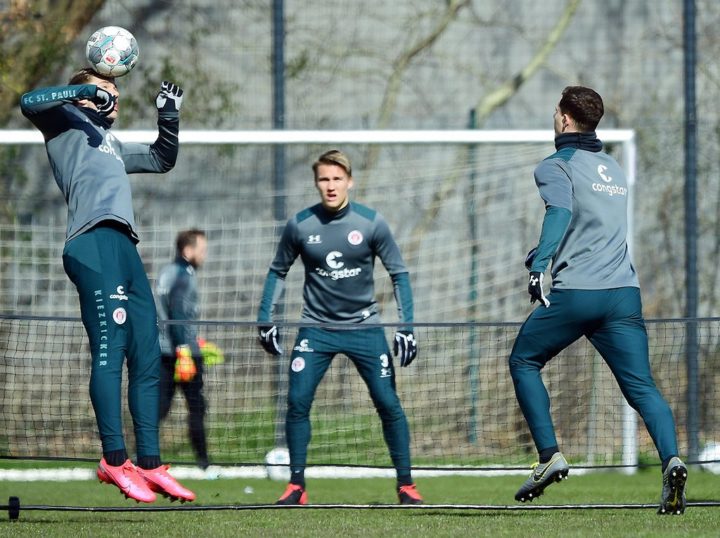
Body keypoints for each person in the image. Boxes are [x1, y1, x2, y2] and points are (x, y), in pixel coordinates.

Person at [508, 86, 687, 514]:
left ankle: (549, 455)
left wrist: (539, 267)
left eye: (556, 111)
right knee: (642, 387)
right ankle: (673, 461)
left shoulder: (555, 166)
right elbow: (588, 230)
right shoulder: (612, 167)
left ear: (565, 119)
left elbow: (561, 213)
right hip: (624, 294)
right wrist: (543, 253)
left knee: (523, 361)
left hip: (579, 295)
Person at [20, 69, 195, 503]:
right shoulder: (63, 123)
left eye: (114, 94)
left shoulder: (112, 143)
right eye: (106, 94)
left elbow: (161, 158)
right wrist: (84, 91)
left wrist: (168, 116)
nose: (111, 100)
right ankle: (114, 460)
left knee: (149, 353)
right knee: (110, 352)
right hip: (91, 243)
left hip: (125, 247)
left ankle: (150, 465)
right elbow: (29, 100)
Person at [257, 149, 423, 505]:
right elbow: (277, 271)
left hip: (365, 328)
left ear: (350, 181)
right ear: (316, 182)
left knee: (387, 402)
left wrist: (406, 326)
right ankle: (296, 486)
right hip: (315, 330)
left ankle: (406, 485)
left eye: (336, 179)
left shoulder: (371, 223)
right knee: (298, 401)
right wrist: (265, 317)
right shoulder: (300, 225)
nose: (330, 186)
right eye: (323, 179)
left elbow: (400, 274)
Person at [155, 229, 211, 471]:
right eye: (202, 250)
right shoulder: (183, 276)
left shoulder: (166, 273)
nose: (204, 255)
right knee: (197, 406)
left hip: (164, 351)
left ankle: (144, 457)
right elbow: (178, 314)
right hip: (180, 354)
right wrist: (185, 349)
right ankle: (204, 463)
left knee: (158, 406)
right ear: (188, 251)